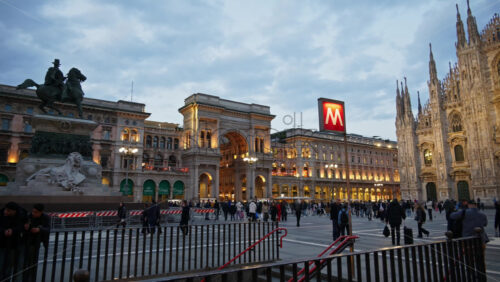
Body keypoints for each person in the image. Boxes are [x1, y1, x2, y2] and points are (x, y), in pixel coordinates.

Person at [0, 202, 27, 282]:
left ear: (14, 211)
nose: (6, 212)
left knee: (7, 266)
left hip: (12, 244)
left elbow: (22, 226)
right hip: (5, 244)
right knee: (4, 265)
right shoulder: (3, 214)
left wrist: (12, 231)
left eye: (8, 211)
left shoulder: (21, 215)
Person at [23, 204, 51, 282]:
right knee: (27, 263)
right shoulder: (29, 216)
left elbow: (48, 229)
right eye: (33, 211)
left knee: (31, 263)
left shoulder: (45, 217)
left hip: (35, 242)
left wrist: (39, 229)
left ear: (41, 212)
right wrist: (25, 227)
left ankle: (30, 279)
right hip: (28, 241)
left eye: (35, 212)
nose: (33, 213)